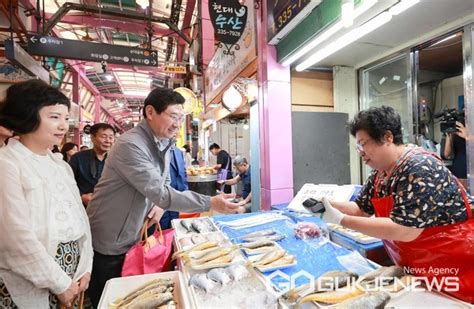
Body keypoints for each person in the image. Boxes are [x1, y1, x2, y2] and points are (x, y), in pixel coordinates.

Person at [86, 87, 239, 307]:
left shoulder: (163, 143)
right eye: (173, 116)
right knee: (110, 297)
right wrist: (209, 202)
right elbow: (161, 192)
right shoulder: (131, 145)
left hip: (132, 231)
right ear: (150, 112)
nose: (178, 123)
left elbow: (163, 183)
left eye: (181, 117)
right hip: (109, 237)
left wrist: (158, 206)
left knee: (130, 294)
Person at [318, 106, 474, 303]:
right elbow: (361, 209)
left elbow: (405, 230)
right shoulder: (380, 172)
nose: (361, 153)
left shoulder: (419, 167)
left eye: (363, 144)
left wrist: (341, 220)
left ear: (388, 137)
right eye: (358, 147)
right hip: (419, 269)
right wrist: (327, 204)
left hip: (458, 270)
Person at [0, 79, 93, 308]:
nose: (63, 126)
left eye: (66, 118)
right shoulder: (7, 163)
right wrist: (60, 284)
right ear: (27, 116)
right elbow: (14, 237)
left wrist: (86, 267)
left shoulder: (60, 165)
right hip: (31, 282)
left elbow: (81, 219)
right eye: (54, 117)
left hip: (72, 279)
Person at [69, 123, 115, 206]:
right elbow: (67, 181)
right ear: (92, 138)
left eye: (111, 137)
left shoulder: (117, 160)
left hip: (109, 207)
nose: (108, 140)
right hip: (83, 207)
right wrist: (81, 196)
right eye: (103, 137)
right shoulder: (78, 158)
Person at [158, 144, 189, 229]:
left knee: (174, 228)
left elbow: (183, 172)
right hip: (160, 200)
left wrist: (185, 190)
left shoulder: (178, 151)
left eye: (178, 129)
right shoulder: (155, 149)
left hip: (176, 200)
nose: (176, 131)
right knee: (159, 231)